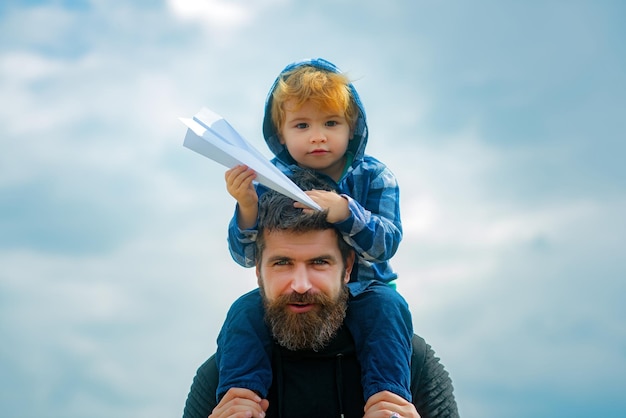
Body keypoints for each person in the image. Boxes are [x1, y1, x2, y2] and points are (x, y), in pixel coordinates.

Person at [218, 58, 413, 406]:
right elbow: (245, 256)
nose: (318, 136)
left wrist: (345, 211)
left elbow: (388, 244)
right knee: (244, 311)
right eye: (302, 125)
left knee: (389, 308)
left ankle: (388, 400)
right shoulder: (267, 179)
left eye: (331, 123)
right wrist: (247, 205)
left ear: (351, 128)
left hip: (369, 289)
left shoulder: (375, 177)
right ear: (281, 134)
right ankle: (241, 399)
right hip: (289, 299)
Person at [182, 173, 459, 418]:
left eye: (319, 263)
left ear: (348, 267)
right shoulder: (222, 376)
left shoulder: (411, 362)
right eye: (282, 263)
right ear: (258, 270)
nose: (301, 285)